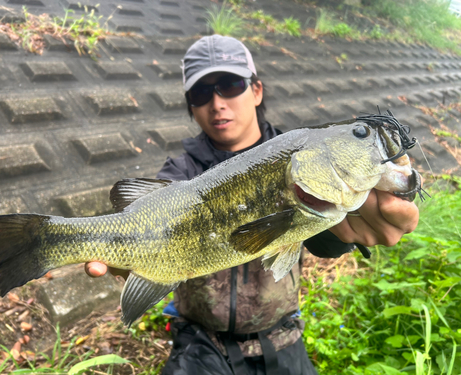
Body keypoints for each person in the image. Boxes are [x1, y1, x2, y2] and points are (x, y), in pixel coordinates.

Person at [85, 35, 420, 374]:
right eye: (201, 93)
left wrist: (349, 231)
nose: (217, 103)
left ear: (256, 90)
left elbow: (322, 235)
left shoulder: (304, 155)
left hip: (283, 337)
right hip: (199, 343)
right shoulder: (180, 174)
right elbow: (147, 222)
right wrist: (123, 260)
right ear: (191, 107)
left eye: (230, 85)